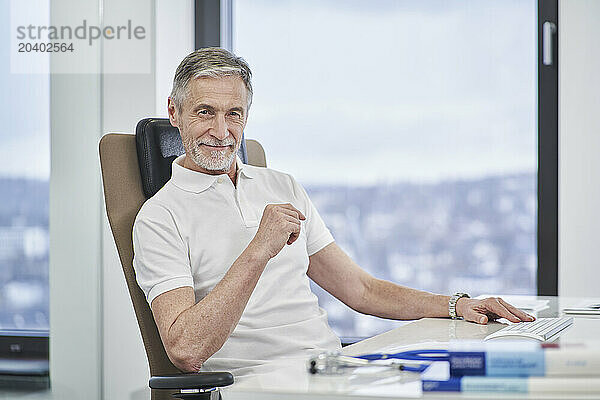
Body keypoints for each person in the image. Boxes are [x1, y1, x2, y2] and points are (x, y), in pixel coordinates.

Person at [132, 47, 534, 377]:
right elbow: (185, 349)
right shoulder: (159, 217)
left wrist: (457, 305)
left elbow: (361, 291)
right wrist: (258, 250)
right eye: (205, 112)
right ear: (174, 112)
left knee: (484, 377)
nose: (221, 131)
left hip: (330, 369)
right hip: (257, 383)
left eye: (233, 114)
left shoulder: (281, 185)